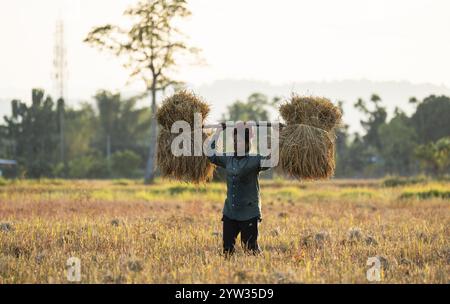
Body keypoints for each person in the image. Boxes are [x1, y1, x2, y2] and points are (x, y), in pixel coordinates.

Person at [207, 121, 270, 256]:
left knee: (250, 250)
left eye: (240, 142)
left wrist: (278, 135)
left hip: (249, 213)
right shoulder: (228, 158)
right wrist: (218, 132)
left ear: (248, 144)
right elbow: (210, 154)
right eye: (235, 141)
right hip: (230, 212)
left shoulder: (255, 160)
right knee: (227, 251)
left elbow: (270, 160)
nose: (237, 144)